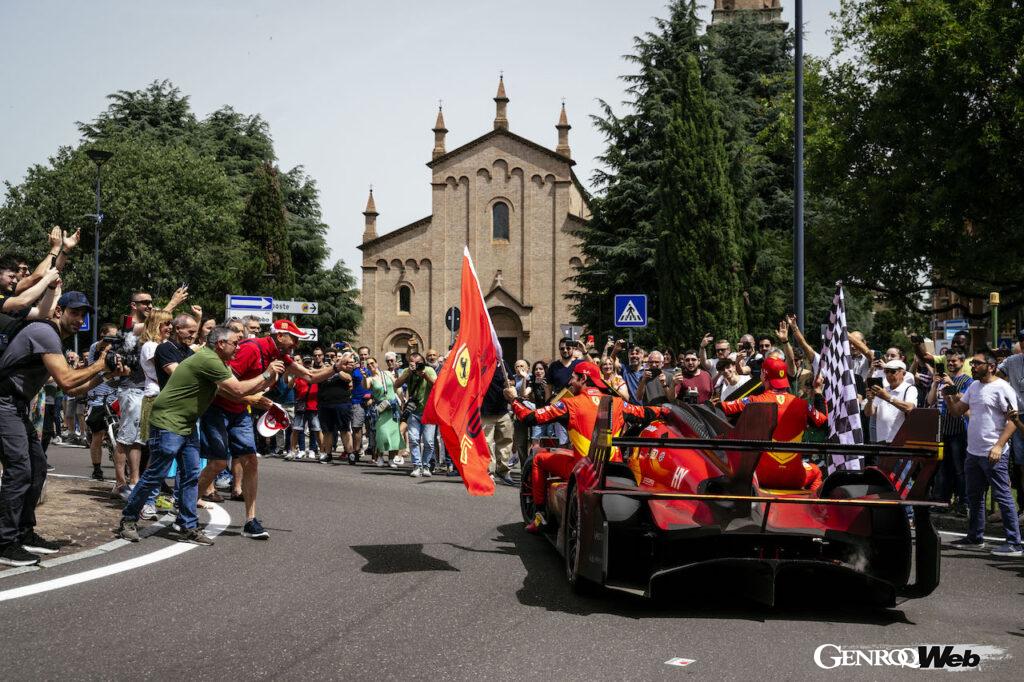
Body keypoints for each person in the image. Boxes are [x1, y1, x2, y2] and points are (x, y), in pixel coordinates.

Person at [0, 292, 128, 567]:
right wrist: (99, 364)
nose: (80, 320)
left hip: (16, 406)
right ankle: (5, 541)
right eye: (74, 313)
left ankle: (23, 533)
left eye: (83, 315)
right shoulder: (44, 332)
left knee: (37, 468)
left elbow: (69, 387)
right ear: (59, 311)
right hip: (4, 403)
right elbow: (67, 379)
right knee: (20, 470)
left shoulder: (53, 337)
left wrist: (105, 375)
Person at [118, 326, 277, 545]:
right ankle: (128, 519)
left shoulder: (216, 362)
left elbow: (236, 391)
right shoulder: (209, 360)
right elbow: (238, 390)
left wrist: (267, 379)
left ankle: (187, 526)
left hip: (187, 422)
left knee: (191, 474)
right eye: (234, 343)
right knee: (156, 473)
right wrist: (267, 373)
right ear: (220, 344)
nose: (238, 348)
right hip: (168, 421)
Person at [198, 318, 340, 539]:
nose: (296, 343)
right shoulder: (251, 349)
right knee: (217, 463)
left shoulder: (280, 356)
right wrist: (257, 394)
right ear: (279, 336)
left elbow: (310, 377)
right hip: (217, 409)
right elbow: (221, 384)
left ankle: (250, 520)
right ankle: (185, 505)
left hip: (240, 411)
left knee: (251, 461)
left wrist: (337, 367)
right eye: (293, 338)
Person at [503, 361, 669, 532]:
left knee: (538, 458)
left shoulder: (569, 404)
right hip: (615, 470)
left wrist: (513, 400)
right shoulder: (618, 403)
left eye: (573, 377)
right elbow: (647, 413)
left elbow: (530, 418)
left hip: (583, 470)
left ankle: (540, 517)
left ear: (583, 378)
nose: (570, 382)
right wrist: (666, 411)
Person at [944, 350, 1021, 557]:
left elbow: (1012, 421)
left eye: (977, 363)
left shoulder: (1002, 388)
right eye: (973, 363)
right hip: (973, 452)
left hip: (993, 453)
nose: (972, 367)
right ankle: (975, 537)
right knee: (974, 497)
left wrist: (998, 446)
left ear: (991, 366)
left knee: (1003, 496)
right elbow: (957, 411)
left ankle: (1014, 542)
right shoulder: (974, 387)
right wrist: (949, 398)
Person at [718, 355, 828, 492]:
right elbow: (822, 420)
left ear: (764, 375)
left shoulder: (753, 401)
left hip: (761, 476)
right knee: (817, 471)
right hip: (794, 478)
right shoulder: (802, 404)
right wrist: (818, 392)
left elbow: (721, 408)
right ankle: (810, 506)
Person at [395, 348, 437, 477]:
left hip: (429, 412)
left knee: (429, 442)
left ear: (423, 362)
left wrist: (424, 375)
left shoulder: (429, 370)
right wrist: (407, 373)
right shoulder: (408, 371)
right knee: (413, 440)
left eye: (418, 362)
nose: (416, 365)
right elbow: (396, 385)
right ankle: (417, 466)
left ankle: (426, 466)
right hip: (414, 411)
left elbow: (437, 385)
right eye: (412, 362)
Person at [864, 359, 917, 443]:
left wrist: (887, 397)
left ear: (903, 373)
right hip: (882, 439)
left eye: (893, 371)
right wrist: (870, 401)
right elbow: (868, 413)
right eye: (886, 371)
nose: (889, 374)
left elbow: (909, 408)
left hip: (900, 438)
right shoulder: (883, 390)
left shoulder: (909, 388)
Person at [318, 351, 355, 463]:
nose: (332, 359)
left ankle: (350, 453)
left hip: (342, 403)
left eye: (333, 357)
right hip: (325, 404)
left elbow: (348, 378)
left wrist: (335, 368)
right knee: (327, 431)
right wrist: (326, 369)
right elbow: (315, 377)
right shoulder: (323, 368)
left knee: (344, 429)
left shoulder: (345, 368)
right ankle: (328, 454)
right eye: (329, 357)